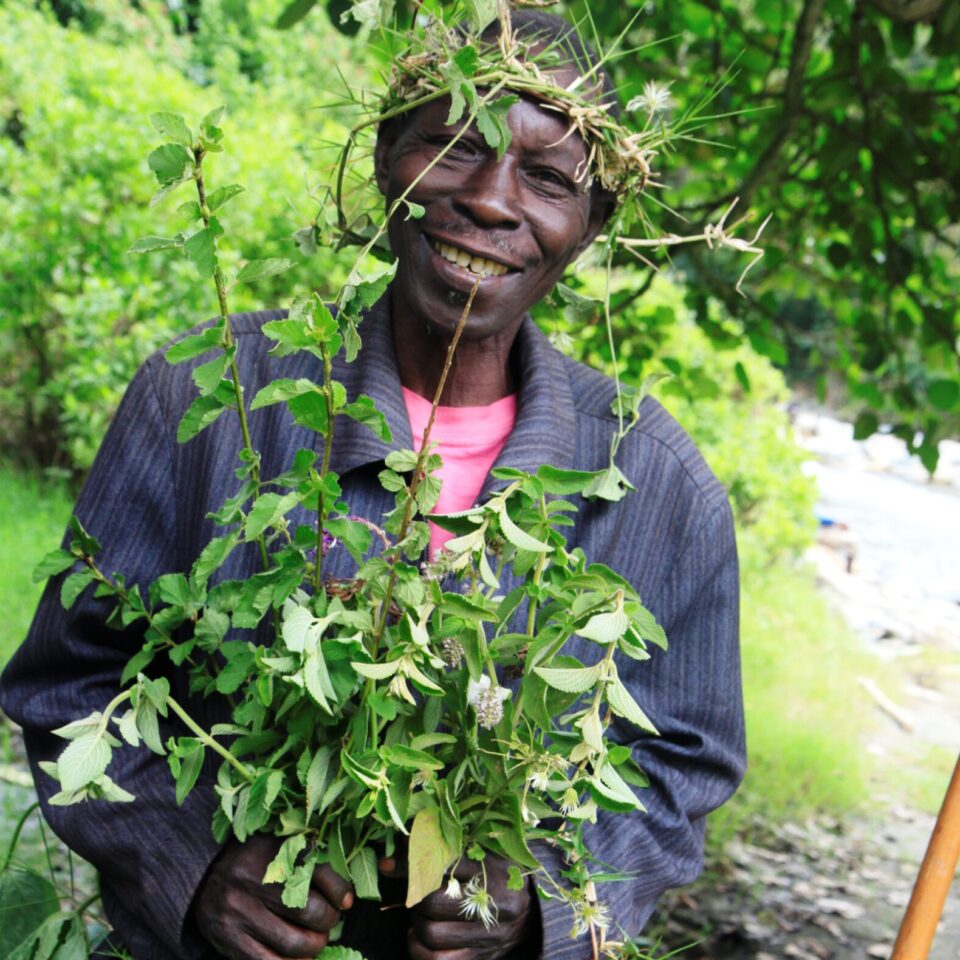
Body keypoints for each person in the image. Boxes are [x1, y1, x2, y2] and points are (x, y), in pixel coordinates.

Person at [0, 10, 745, 960]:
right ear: (388, 155)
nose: (490, 201)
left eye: (550, 179)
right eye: (453, 144)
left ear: (591, 226)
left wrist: (538, 909)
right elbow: (68, 684)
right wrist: (193, 868)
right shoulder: (209, 396)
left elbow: (681, 768)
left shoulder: (657, 488)